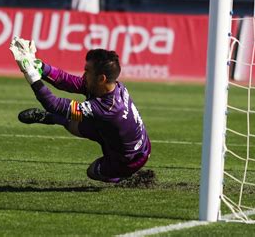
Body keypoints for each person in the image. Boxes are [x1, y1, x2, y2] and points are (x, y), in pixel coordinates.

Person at [9, 37, 151, 183]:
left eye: (87, 71)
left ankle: (123, 178)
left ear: (101, 78)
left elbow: (54, 104)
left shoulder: (107, 108)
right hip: (129, 141)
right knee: (74, 124)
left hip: (128, 160)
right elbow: (68, 81)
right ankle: (49, 118)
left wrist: (30, 74)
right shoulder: (111, 86)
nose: (83, 75)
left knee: (93, 172)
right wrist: (39, 65)